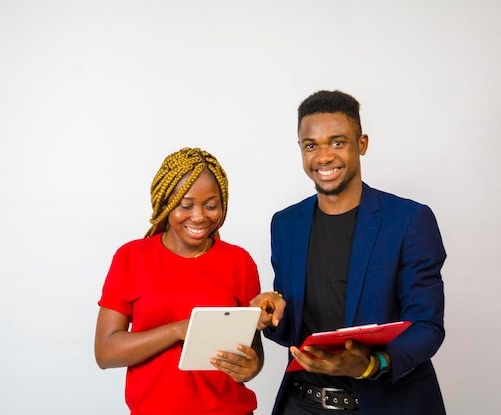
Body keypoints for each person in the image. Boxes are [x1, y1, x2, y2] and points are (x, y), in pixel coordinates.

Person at [251, 90, 446, 414]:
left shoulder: (409, 221)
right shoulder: (286, 224)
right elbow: (293, 331)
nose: (324, 156)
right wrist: (271, 315)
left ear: (362, 144)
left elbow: (427, 326)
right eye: (311, 145)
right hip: (302, 403)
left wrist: (371, 364)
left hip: (383, 403)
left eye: (337, 142)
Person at [95, 147, 264, 415]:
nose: (199, 216)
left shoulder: (239, 261)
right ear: (165, 204)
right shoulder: (132, 257)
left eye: (211, 205)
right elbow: (106, 352)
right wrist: (177, 330)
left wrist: (252, 366)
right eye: (185, 205)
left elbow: (252, 348)